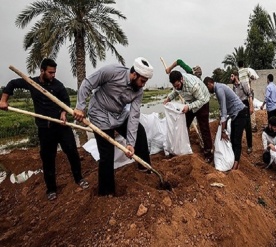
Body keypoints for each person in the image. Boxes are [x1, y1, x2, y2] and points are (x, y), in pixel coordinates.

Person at [0, 58, 88, 201]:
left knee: (72, 152)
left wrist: (63, 113)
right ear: (42, 71)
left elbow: (65, 102)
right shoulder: (32, 83)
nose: (53, 75)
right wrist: (4, 100)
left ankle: (79, 179)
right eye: (50, 72)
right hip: (44, 129)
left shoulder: (58, 86)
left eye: (54, 72)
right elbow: (12, 84)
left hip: (61, 127)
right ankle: (51, 189)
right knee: (48, 159)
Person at [73, 57, 153, 196]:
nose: (143, 85)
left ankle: (144, 168)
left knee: (139, 132)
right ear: (134, 74)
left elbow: (133, 116)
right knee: (107, 154)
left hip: (119, 114)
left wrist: (130, 144)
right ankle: (106, 192)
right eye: (142, 81)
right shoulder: (113, 71)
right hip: (100, 114)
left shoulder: (138, 91)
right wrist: (80, 107)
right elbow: (88, 83)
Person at [164, 67, 213, 163]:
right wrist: (168, 99)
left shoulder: (192, 85)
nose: (177, 87)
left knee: (204, 127)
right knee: (183, 124)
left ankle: (208, 153)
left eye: (178, 85)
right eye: (175, 86)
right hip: (190, 102)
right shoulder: (177, 85)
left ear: (181, 79)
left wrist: (189, 107)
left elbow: (201, 100)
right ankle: (182, 147)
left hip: (202, 102)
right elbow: (175, 92)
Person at [203, 77, 249, 170]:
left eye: (207, 87)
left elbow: (224, 111)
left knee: (236, 140)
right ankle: (232, 160)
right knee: (232, 138)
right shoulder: (218, 89)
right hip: (235, 115)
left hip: (241, 113)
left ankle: (236, 165)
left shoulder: (219, 90)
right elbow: (223, 109)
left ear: (210, 84)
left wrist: (223, 130)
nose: (207, 90)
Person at [231, 70, 253, 154]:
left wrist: (251, 107)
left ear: (236, 76)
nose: (231, 78)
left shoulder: (243, 84)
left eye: (232, 76)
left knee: (247, 126)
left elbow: (250, 95)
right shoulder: (234, 87)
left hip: (245, 104)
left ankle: (250, 146)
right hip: (238, 107)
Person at [238, 60, 257, 132]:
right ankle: (253, 126)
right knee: (251, 108)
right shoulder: (246, 70)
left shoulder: (238, 73)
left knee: (243, 110)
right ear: (243, 64)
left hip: (241, 94)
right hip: (248, 92)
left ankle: (243, 126)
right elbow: (253, 77)